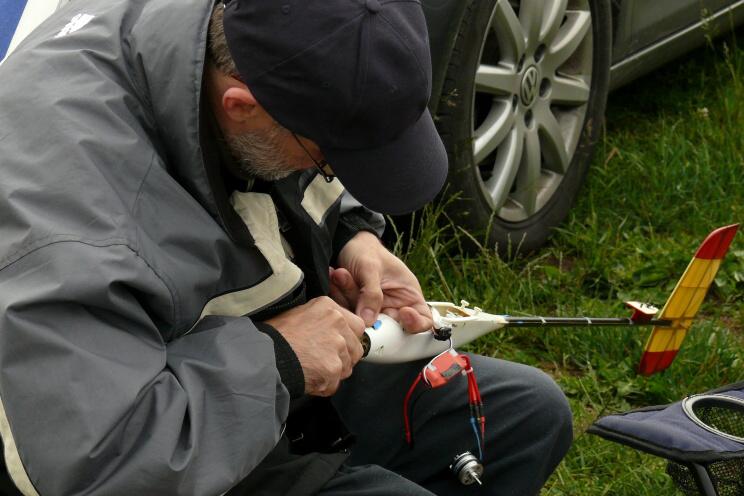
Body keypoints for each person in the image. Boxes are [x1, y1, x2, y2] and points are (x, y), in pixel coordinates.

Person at [0, 0, 572, 494]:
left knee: (527, 417)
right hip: (162, 450)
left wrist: (354, 236)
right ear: (242, 107)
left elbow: (278, 156)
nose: (332, 171)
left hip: (251, 385)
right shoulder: (65, 227)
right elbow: (97, 463)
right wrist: (276, 360)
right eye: (331, 156)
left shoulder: (238, 35)